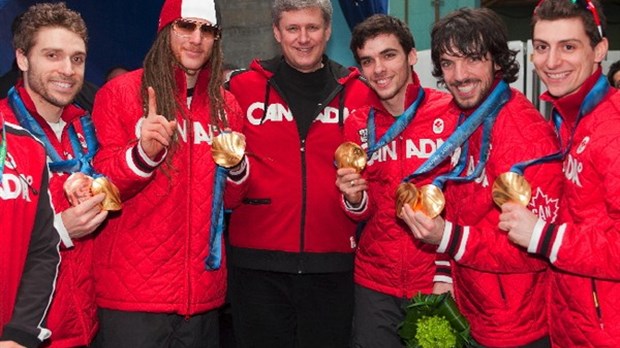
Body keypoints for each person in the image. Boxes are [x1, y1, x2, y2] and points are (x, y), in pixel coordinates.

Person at [400, 8, 563, 347]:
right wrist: (445, 271)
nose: (459, 75)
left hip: (517, 325)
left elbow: (531, 248)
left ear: (497, 61)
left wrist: (446, 237)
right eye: (447, 63)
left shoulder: (526, 136)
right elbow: (463, 203)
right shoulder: (468, 118)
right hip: (475, 308)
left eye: (472, 59)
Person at [90, 0, 245, 346]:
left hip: (202, 295)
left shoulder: (226, 106)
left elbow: (232, 199)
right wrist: (143, 154)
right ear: (165, 31)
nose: (196, 38)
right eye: (185, 26)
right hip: (132, 295)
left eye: (207, 30)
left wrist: (237, 168)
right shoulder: (121, 93)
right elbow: (101, 184)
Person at [225, 0, 373, 346]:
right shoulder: (241, 89)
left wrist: (356, 200)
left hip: (333, 266)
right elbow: (219, 177)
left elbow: (376, 183)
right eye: (293, 28)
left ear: (328, 31)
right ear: (277, 33)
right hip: (256, 266)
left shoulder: (361, 93)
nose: (303, 38)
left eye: (312, 28)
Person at [498, 0, 620, 346]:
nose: (551, 62)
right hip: (574, 322)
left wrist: (544, 236)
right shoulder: (571, 118)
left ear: (599, 50)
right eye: (541, 48)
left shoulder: (613, 125)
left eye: (568, 47)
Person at [334, 14, 454, 347]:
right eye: (368, 61)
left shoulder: (449, 112)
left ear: (412, 56)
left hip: (436, 280)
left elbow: (464, 199)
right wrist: (354, 198)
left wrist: (449, 274)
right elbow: (361, 211)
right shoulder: (358, 123)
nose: (379, 69)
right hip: (375, 283)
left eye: (389, 55)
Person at [1, 3, 107, 347]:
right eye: (52, 55)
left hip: (90, 325)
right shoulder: (4, 132)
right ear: (22, 58)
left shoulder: (88, 129)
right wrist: (60, 229)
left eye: (77, 59)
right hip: (25, 332)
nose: (67, 69)